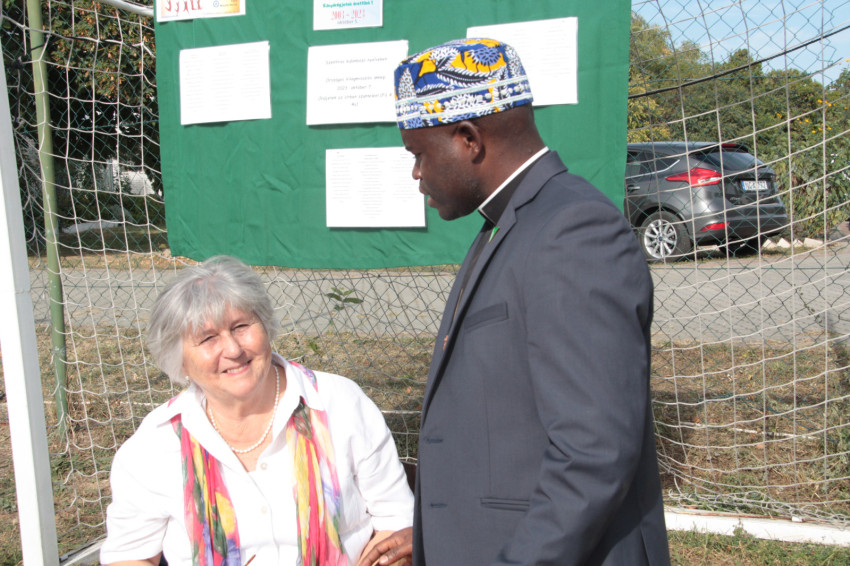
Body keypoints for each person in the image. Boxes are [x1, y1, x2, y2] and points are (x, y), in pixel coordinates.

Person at [361, 38, 671, 566]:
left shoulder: (572, 232)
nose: (416, 173)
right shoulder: (509, 224)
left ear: (468, 139)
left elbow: (592, 452)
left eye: (418, 154)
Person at [100, 255, 414, 566]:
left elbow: (398, 523)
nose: (233, 349)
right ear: (178, 360)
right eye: (208, 338)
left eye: (241, 326)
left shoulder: (339, 403)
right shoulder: (155, 444)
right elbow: (128, 556)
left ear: (265, 324)